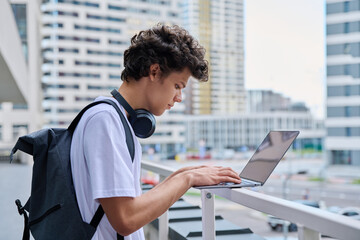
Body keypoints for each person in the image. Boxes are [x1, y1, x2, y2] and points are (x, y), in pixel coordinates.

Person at [70, 24, 242, 240]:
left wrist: (186, 173)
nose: (179, 97)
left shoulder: (115, 118)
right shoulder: (106, 121)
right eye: (178, 86)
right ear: (154, 71)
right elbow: (125, 219)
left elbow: (124, 203)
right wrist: (187, 179)